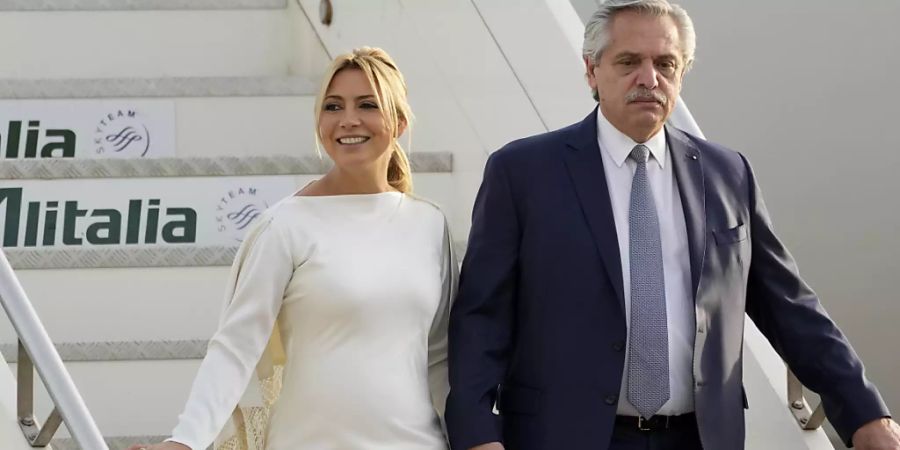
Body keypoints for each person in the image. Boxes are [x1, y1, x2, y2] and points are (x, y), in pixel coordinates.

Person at [444, 1, 900, 449]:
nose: (649, 78)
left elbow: (789, 306)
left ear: (683, 71)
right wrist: (477, 433)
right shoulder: (523, 172)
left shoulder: (728, 174)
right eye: (628, 62)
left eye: (665, 63)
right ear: (591, 70)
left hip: (700, 437)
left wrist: (864, 413)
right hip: (562, 434)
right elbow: (482, 317)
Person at [129, 47, 456, 450]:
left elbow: (438, 357)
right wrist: (185, 440)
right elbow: (236, 346)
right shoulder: (285, 225)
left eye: (367, 104)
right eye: (333, 107)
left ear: (400, 121)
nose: (348, 120)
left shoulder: (430, 223)